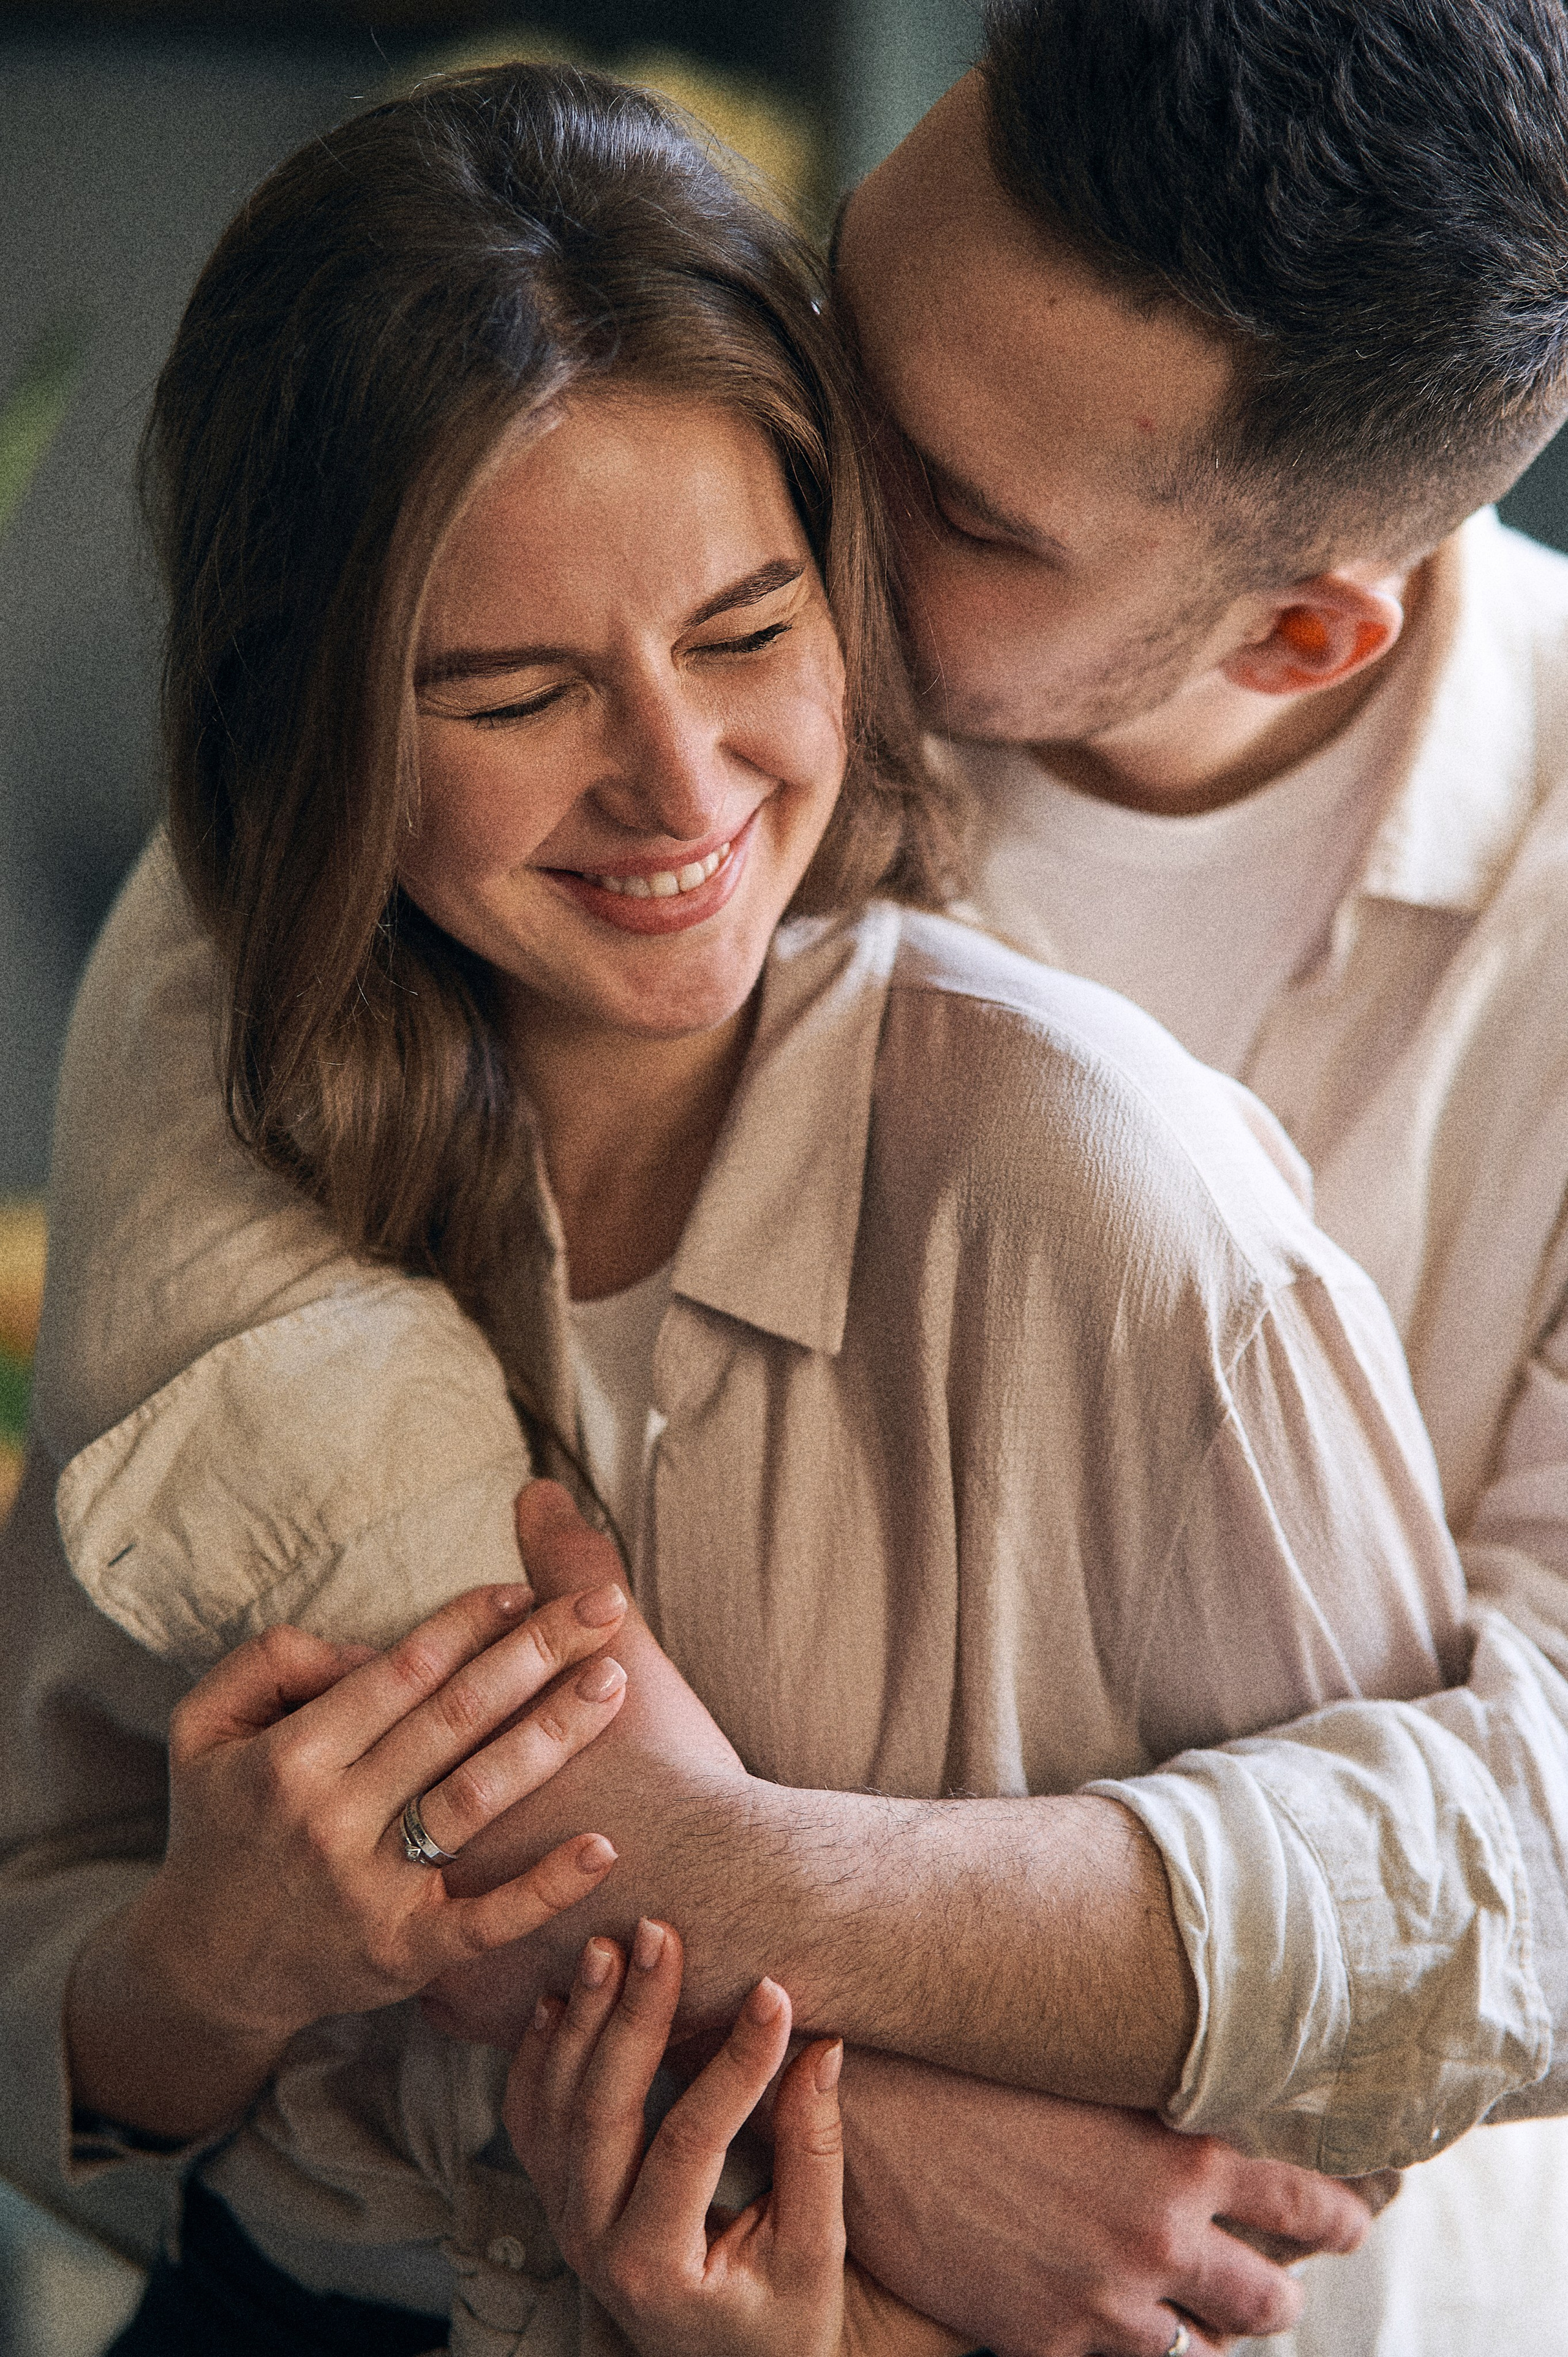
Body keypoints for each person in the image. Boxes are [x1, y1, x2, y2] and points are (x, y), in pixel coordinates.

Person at [0, 59, 1468, 2357]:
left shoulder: (1114, 1201)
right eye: (504, 689)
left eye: (754, 628)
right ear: (312, 735)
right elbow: (58, 1982)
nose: (676, 788)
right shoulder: (235, 1084)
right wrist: (206, 1969)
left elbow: (1328, 2127)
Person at [831, 0, 1568, 2347]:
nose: (785, 480)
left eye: (954, 505)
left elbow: (1549, 1861)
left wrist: (754, 1905)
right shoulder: (528, 614)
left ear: (1303, 626)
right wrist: (825, 2110)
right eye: (824, 321)